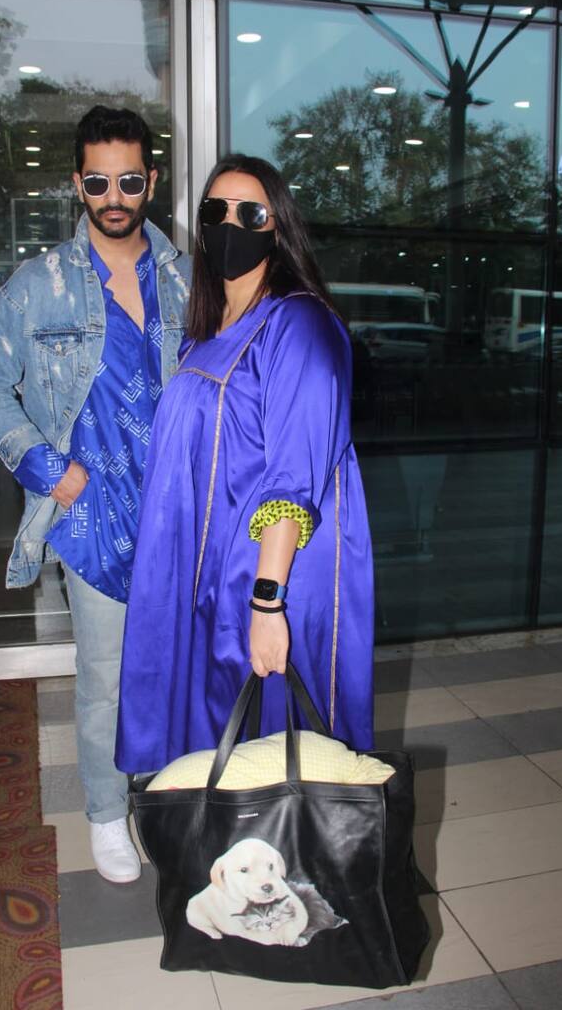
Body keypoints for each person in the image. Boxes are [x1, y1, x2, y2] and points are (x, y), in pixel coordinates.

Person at [0, 106, 190, 881]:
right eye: (99, 181)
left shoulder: (186, 278)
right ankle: (104, 811)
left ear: (151, 181)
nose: (115, 195)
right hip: (92, 514)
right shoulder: (41, 284)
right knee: (104, 677)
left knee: (173, 664)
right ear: (78, 184)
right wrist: (44, 467)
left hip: (176, 512)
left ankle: (166, 789)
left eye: (130, 180)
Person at [116, 154, 374, 776]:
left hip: (266, 575)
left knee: (276, 756)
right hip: (207, 573)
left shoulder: (301, 324)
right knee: (218, 747)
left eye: (250, 212)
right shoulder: (205, 329)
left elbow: (295, 476)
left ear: (278, 226)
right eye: (216, 211)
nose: (230, 224)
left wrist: (266, 604)